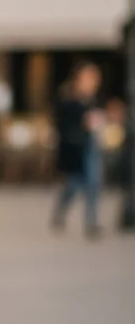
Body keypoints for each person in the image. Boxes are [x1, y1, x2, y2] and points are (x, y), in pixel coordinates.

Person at [51, 62, 105, 238]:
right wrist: (83, 123)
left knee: (93, 184)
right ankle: (60, 211)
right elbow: (61, 125)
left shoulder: (92, 99)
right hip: (75, 149)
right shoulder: (68, 99)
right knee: (72, 186)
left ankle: (91, 222)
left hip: (91, 147)